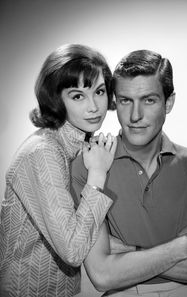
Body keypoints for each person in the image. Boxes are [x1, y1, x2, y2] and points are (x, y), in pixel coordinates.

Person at [72, 50, 187, 296]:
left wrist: (130, 254)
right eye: (125, 100)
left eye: (149, 100)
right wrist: (180, 248)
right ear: (115, 102)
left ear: (169, 102)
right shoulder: (89, 167)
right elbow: (103, 275)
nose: (135, 116)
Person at [0, 43, 118, 296]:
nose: (94, 106)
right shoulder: (43, 151)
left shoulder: (82, 147)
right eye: (78, 96)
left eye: (99, 92)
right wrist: (97, 175)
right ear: (56, 99)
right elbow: (73, 251)